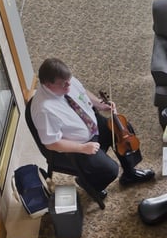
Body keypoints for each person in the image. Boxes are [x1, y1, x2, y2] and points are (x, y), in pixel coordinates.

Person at [30, 57, 154, 208]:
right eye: (64, 84)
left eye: (69, 80)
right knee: (110, 170)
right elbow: (51, 143)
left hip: (92, 123)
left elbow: (82, 92)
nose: (69, 85)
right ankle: (89, 183)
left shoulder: (65, 80)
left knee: (123, 129)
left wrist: (100, 104)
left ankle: (130, 173)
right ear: (48, 85)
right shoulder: (44, 110)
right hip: (77, 146)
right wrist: (83, 148)